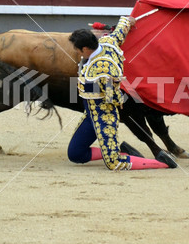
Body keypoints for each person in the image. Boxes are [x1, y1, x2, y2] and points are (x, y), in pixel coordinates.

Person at [67, 16, 178, 170]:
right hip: (90, 114)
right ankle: (123, 151)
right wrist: (127, 21)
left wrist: (112, 99)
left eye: (77, 49)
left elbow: (112, 96)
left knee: (114, 163)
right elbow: (120, 31)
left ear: (85, 49)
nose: (77, 52)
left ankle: (162, 163)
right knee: (75, 154)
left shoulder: (101, 69)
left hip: (104, 115)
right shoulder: (108, 42)